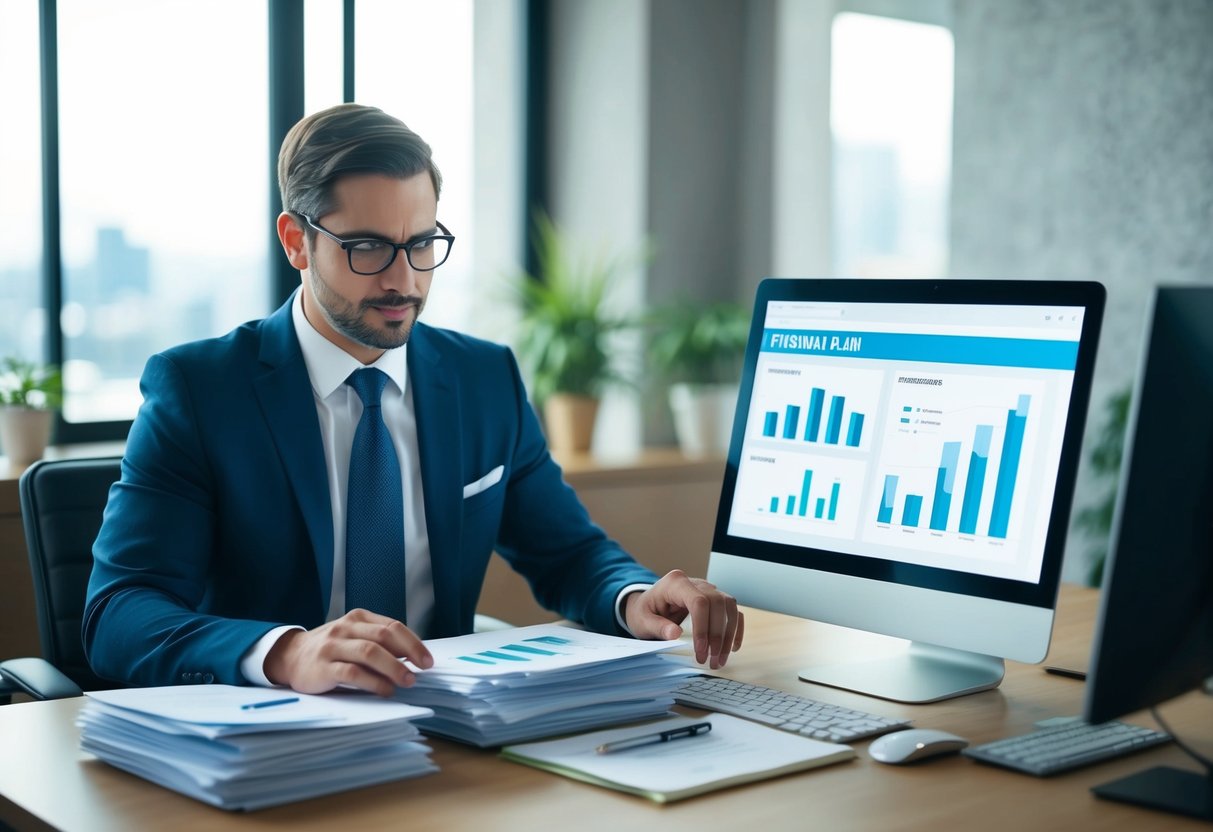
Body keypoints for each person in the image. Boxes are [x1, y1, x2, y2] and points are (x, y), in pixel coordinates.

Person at [83, 103, 743, 697]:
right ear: (295, 242)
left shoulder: (483, 378)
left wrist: (633, 597)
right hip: (270, 738)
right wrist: (286, 652)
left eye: (421, 243)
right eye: (367, 247)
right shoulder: (200, 390)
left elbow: (566, 553)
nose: (402, 279)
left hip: (446, 738)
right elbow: (119, 613)